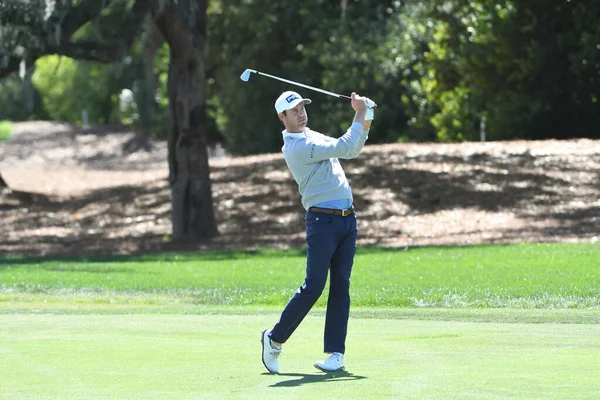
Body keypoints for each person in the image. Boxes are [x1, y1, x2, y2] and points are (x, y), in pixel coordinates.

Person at [261, 89, 375, 374]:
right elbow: (346, 147)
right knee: (313, 287)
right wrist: (360, 113)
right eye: (294, 110)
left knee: (341, 286)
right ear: (281, 117)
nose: (300, 113)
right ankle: (274, 340)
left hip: (347, 220)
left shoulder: (313, 136)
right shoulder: (297, 148)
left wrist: (367, 115)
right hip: (322, 223)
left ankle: (336, 353)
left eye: (302, 107)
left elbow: (353, 148)